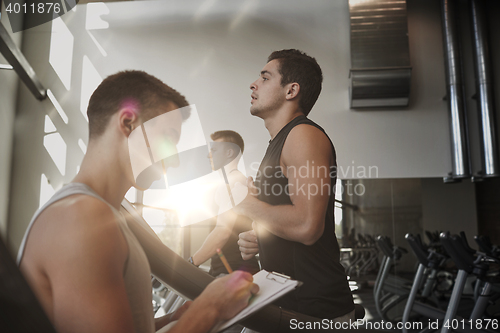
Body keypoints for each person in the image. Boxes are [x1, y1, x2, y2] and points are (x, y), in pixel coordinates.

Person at [17, 70, 259, 333]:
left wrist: (169, 320)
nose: (175, 160)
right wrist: (209, 308)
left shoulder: (100, 213)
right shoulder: (82, 217)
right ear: (128, 123)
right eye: (168, 138)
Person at [236, 49, 355, 321]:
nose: (253, 84)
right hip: (285, 302)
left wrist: (246, 204)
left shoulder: (303, 135)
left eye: (265, 78)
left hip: (314, 309)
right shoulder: (279, 142)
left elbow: (306, 226)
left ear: (291, 90)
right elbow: (288, 217)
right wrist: (262, 238)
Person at [189, 130, 260, 277]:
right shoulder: (232, 182)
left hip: (234, 271)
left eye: (214, 150)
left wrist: (190, 264)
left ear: (229, 153)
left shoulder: (234, 182)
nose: (209, 155)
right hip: (225, 269)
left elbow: (222, 232)